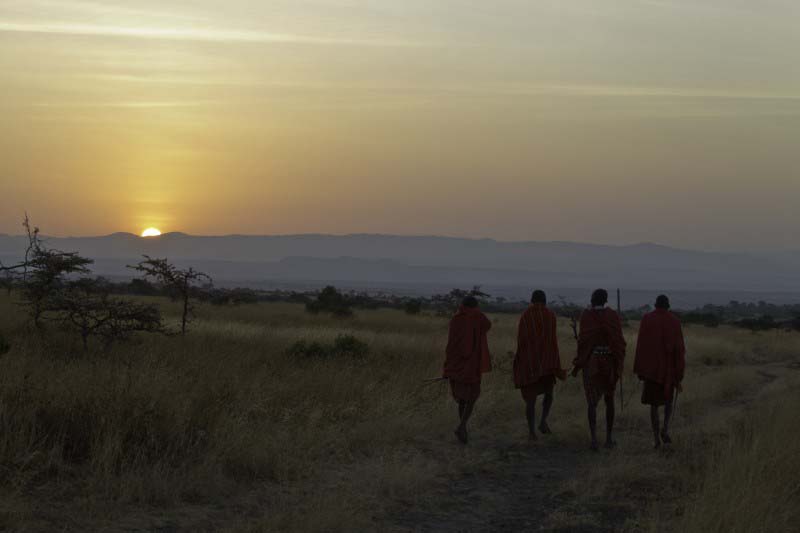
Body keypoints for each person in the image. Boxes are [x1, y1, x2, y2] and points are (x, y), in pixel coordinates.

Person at [572, 289, 627, 451]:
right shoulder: (612, 316)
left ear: (592, 299)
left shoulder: (586, 315)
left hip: (592, 363)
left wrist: (580, 359)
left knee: (592, 402)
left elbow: (583, 341)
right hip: (609, 362)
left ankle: (594, 439)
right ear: (605, 300)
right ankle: (609, 439)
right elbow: (619, 341)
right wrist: (619, 359)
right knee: (609, 400)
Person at [634, 295, 686, 449]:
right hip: (669, 371)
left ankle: (656, 439)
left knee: (654, 406)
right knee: (668, 402)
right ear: (668, 306)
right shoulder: (675, 321)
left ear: (656, 305)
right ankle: (665, 429)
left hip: (651, 370)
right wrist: (679, 372)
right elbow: (679, 349)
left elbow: (641, 345)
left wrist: (641, 369)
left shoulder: (646, 319)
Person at [513, 290, 566, 441]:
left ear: (531, 300)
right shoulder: (550, 316)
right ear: (545, 301)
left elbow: (521, 340)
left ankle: (531, 432)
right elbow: (551, 340)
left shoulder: (526, 316)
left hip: (529, 363)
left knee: (530, 400)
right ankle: (543, 421)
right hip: (547, 362)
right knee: (549, 394)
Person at [443, 296, 492, 444]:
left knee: (462, 398)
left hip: (455, 363)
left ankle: (462, 429)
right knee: (472, 396)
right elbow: (488, 325)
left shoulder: (456, 318)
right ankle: (462, 426)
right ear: (475, 306)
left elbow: (451, 342)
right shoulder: (478, 317)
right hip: (471, 364)